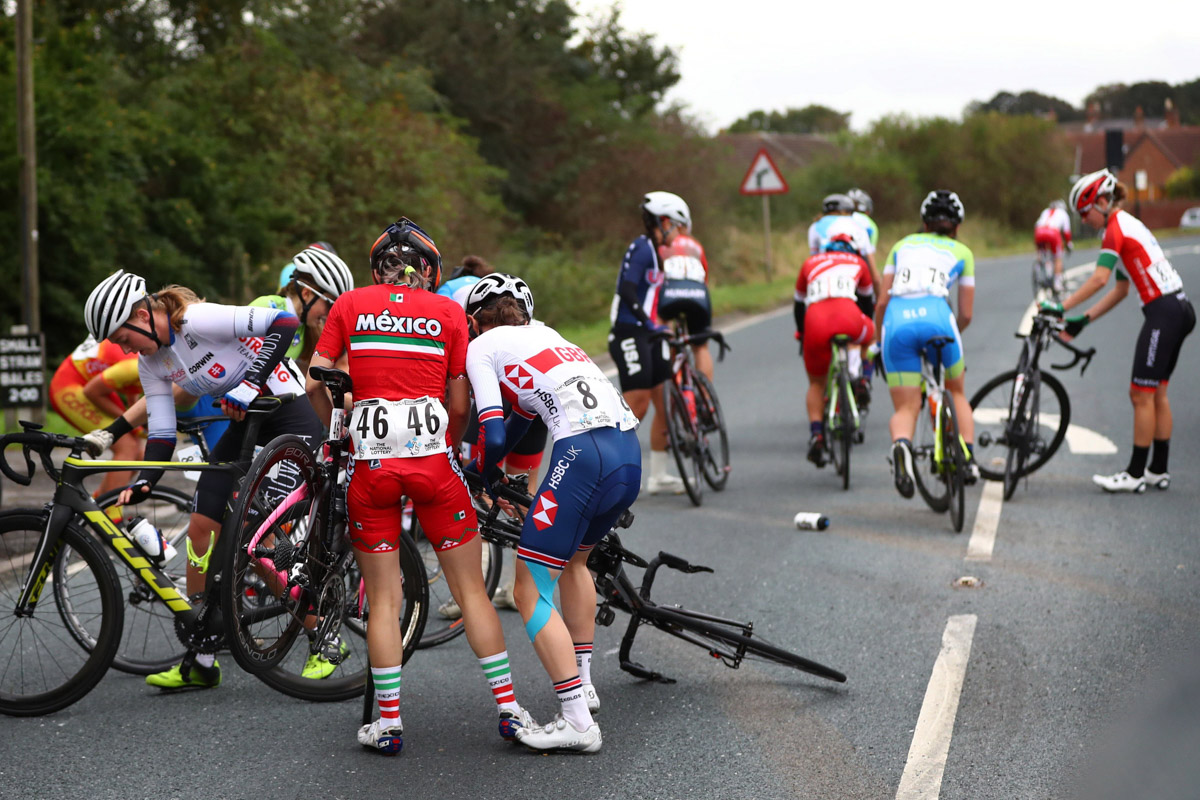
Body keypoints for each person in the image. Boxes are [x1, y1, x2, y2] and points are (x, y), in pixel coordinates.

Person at [306, 218, 535, 755]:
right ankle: (508, 707)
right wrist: (450, 445)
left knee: (384, 600)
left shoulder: (349, 305)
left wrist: (334, 432)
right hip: (434, 467)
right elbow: (460, 405)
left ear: (376, 268)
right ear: (430, 271)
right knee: (471, 593)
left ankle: (388, 724)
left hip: (370, 470)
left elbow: (316, 379)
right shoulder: (450, 312)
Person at [81, 269, 324, 690]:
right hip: (246, 427)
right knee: (200, 530)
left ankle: (321, 634)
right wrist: (145, 483)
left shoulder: (197, 319)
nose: (124, 349)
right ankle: (202, 654)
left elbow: (283, 323)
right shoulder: (151, 362)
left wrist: (248, 385)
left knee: (255, 535)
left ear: (142, 315)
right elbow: (160, 434)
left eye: (123, 338)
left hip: (288, 417)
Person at [465, 273, 640, 754]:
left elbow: (496, 433)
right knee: (575, 562)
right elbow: (524, 418)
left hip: (583, 456)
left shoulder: (482, 347)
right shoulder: (550, 337)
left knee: (528, 587)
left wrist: (483, 474)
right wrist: (495, 470)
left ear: (475, 321)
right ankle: (582, 684)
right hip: (627, 453)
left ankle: (576, 721)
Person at [1045, 169, 1194, 493]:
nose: (1084, 220)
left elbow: (1099, 278)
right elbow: (1120, 290)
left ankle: (1135, 474)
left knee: (1140, 394)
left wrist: (1062, 306)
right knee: (1157, 393)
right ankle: (1156, 470)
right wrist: (1083, 319)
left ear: (1101, 202)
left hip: (1164, 312)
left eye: (1085, 212)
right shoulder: (1128, 224)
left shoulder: (1116, 227)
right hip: (1179, 309)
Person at [876, 190, 978, 497]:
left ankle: (902, 447)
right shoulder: (962, 252)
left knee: (907, 406)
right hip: (937, 317)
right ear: (957, 226)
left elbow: (882, 301)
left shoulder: (900, 245)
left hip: (897, 321)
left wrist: (877, 341)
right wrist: (953, 334)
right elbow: (967, 313)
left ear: (923, 223)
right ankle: (968, 458)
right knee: (956, 390)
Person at [608, 191, 689, 495]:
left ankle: (658, 474)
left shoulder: (658, 252)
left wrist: (665, 323)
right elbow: (629, 291)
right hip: (629, 332)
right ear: (664, 222)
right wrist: (648, 322)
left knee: (664, 401)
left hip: (650, 333)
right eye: (677, 227)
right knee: (637, 404)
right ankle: (607, 471)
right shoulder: (641, 248)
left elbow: (653, 296)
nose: (679, 234)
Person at [794, 234, 876, 467]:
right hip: (848, 315)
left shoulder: (810, 263)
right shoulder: (858, 262)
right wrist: (863, 328)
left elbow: (798, 305)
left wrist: (802, 333)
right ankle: (860, 376)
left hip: (815, 320)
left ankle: (817, 434)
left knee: (816, 384)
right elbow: (867, 301)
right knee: (871, 334)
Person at [49, 336, 143, 495]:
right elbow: (91, 392)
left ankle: (99, 503)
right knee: (128, 447)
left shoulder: (145, 361)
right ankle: (111, 512)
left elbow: (131, 390)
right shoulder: (135, 365)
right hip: (70, 386)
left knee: (139, 454)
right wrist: (130, 422)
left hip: (93, 384)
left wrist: (135, 424)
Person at [253, 247, 354, 373]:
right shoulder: (267, 306)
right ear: (306, 294)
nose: (330, 315)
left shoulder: (306, 331)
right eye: (330, 306)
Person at [1034, 199, 1074, 294]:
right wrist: (1068, 244)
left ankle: (1040, 266)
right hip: (1053, 233)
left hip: (1039, 231)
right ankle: (1057, 283)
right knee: (1058, 258)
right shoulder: (1063, 214)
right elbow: (1066, 232)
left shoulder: (1045, 211)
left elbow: (1037, 225)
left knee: (1043, 252)